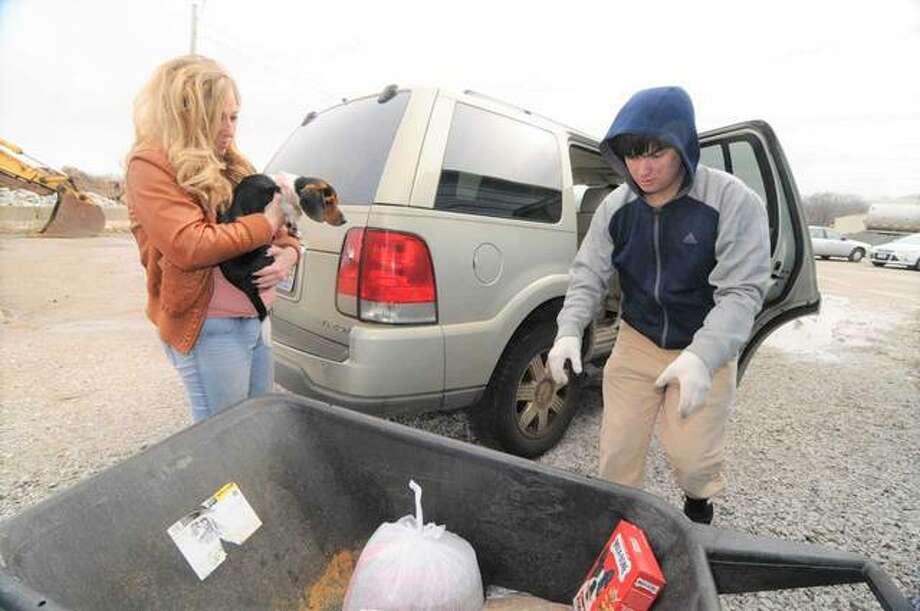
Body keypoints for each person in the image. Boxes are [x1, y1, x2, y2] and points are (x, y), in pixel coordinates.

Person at [547, 86, 771, 524]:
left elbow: (742, 292)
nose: (642, 168)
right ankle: (620, 532)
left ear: (684, 146)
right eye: (632, 155)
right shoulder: (617, 206)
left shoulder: (731, 201)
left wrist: (703, 358)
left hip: (702, 342)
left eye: (656, 153)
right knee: (617, 452)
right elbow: (588, 272)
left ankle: (697, 510)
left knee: (692, 459)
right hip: (637, 340)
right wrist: (568, 329)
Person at [124, 55, 302, 423]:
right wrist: (267, 223)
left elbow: (281, 228)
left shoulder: (233, 162)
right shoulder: (150, 164)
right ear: (185, 115)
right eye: (216, 118)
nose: (229, 129)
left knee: (255, 426)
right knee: (222, 439)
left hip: (256, 317)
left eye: (233, 116)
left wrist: (290, 253)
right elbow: (190, 245)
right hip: (211, 328)